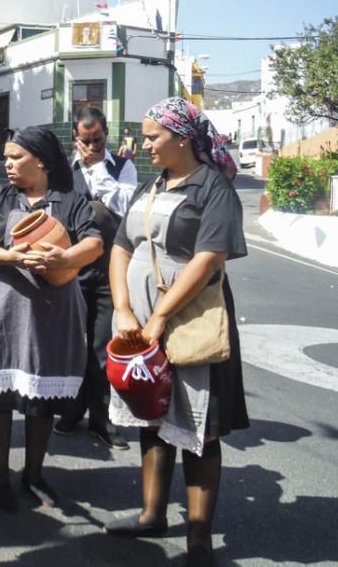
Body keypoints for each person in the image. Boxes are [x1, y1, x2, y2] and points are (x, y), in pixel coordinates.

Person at [104, 97, 248, 567]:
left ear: (183, 137)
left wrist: (160, 315)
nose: (144, 145)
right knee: (152, 414)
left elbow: (208, 259)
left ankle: (200, 539)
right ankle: (151, 515)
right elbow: (123, 246)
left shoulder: (214, 189)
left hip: (187, 319)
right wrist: (125, 308)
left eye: (153, 137)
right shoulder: (153, 184)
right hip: (141, 317)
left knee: (198, 427)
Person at [0, 127, 102, 512]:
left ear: (40, 160)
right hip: (1, 309)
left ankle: (34, 474)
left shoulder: (70, 200)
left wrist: (65, 259)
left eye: (15, 158)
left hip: (51, 312)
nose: (7, 164)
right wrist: (12, 257)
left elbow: (94, 243)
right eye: (6, 158)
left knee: (40, 400)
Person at [55, 106, 137, 450]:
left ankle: (103, 421)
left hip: (107, 273)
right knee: (72, 345)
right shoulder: (64, 172)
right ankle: (72, 410)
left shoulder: (122, 168)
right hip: (72, 271)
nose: (91, 146)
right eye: (85, 140)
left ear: (106, 136)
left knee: (102, 347)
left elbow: (125, 206)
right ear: (75, 138)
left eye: (98, 140)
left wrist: (99, 172)